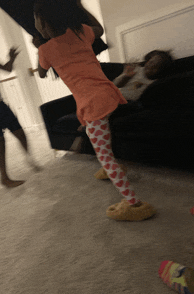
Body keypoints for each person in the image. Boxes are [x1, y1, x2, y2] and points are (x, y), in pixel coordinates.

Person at [33, 0, 156, 221]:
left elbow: (41, 73)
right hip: (107, 94)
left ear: (44, 22)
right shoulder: (82, 32)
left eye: (36, 20)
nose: (35, 24)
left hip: (93, 103)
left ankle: (133, 204)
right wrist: (80, 8)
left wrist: (39, 46)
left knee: (104, 155)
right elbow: (99, 29)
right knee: (93, 132)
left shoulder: (45, 50)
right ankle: (110, 165)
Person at [95, 49, 174, 179]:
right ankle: (94, 122)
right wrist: (126, 76)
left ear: (161, 71)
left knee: (118, 107)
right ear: (147, 60)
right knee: (105, 100)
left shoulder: (155, 82)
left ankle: (95, 123)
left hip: (130, 104)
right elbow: (115, 85)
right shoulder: (136, 70)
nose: (150, 67)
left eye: (156, 67)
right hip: (115, 97)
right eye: (150, 62)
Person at [0, 37, 41, 188]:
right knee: (0, 141)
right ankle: (4, 178)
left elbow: (7, 69)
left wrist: (11, 58)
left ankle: (29, 158)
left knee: (20, 133)